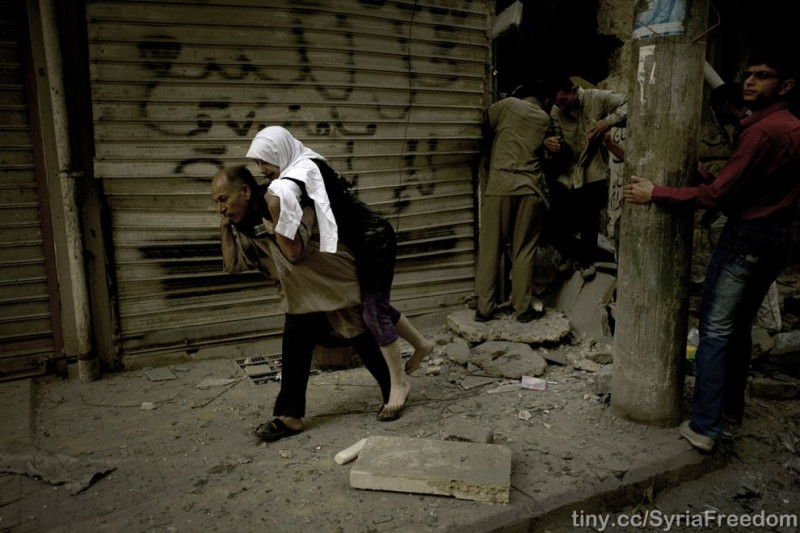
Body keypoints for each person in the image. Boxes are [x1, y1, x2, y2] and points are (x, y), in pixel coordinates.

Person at [623, 50, 800, 452]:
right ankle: (730, 411)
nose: (750, 81)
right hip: (776, 238)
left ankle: (704, 426)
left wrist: (656, 193)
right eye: (748, 74)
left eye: (763, 75)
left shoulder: (762, 131)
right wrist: (700, 179)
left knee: (715, 330)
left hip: (747, 237)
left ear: (786, 86)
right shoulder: (789, 127)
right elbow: (743, 183)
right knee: (738, 329)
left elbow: (719, 196)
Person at [245, 127, 434, 422]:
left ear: (280, 153)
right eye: (257, 163)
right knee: (370, 304)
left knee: (372, 312)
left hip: (374, 242)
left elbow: (284, 203)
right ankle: (421, 345)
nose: (261, 169)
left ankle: (399, 385)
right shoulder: (305, 162)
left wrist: (273, 217)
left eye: (265, 161)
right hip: (363, 241)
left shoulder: (297, 174)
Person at [212, 165, 397, 441]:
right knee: (296, 344)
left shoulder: (284, 201)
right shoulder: (244, 225)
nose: (221, 208)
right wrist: (225, 230)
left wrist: (272, 222)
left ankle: (394, 390)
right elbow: (233, 265)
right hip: (301, 292)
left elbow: (295, 251)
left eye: (223, 199)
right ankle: (290, 416)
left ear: (245, 191)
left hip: (331, 280)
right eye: (217, 203)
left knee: (361, 334)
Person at [474, 80, 554, 324]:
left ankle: (484, 308)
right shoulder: (545, 119)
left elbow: (485, 117)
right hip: (530, 189)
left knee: (491, 249)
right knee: (524, 250)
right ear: (546, 101)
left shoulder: (508, 105)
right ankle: (522, 309)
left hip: (500, 186)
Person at [706, 82, 782, 334]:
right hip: (749, 202)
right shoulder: (746, 126)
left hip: (760, 209)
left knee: (754, 259)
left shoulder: (754, 127)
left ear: (726, 106)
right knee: (718, 230)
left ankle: (769, 322)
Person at [544, 78, 628, 280]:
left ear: (574, 90)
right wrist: (551, 144)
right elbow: (557, 141)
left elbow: (629, 105)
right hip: (568, 171)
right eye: (557, 103)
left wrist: (607, 122)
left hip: (593, 167)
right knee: (555, 218)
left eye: (563, 101)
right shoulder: (556, 111)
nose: (561, 107)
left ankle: (586, 261)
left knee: (589, 217)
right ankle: (569, 254)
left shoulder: (597, 98)